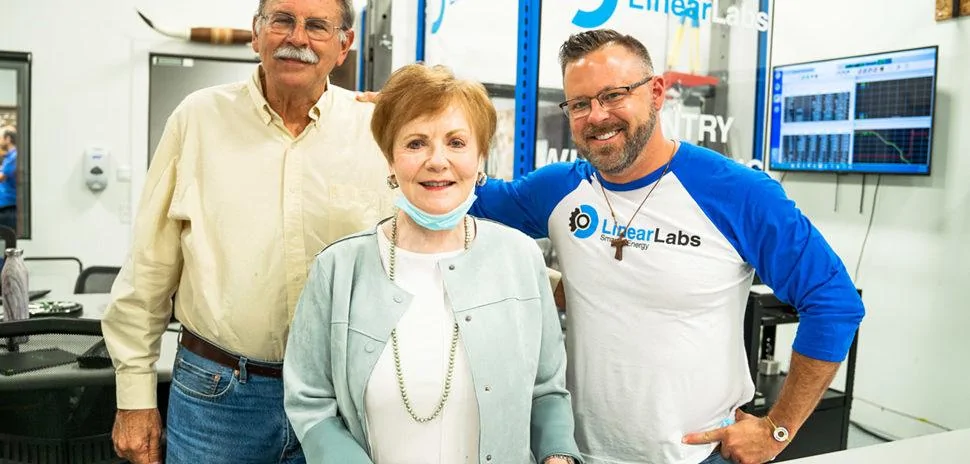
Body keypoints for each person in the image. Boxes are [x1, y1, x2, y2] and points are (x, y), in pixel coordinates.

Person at [465, 30, 866, 464]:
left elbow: (834, 301)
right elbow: (460, 195)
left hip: (698, 455)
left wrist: (777, 429)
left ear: (656, 93)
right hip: (577, 454)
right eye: (579, 104)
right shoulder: (557, 190)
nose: (596, 116)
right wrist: (410, 123)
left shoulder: (736, 192)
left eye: (614, 95)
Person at [101, 0, 394, 463]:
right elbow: (149, 266)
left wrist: (419, 112)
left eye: (317, 25)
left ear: (344, 46)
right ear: (256, 33)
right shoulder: (198, 119)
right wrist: (134, 397)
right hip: (217, 401)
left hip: (341, 399)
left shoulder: (376, 130)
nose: (297, 38)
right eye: (282, 20)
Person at [282, 63, 582, 464]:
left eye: (456, 142)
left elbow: (547, 390)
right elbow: (310, 401)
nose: (437, 160)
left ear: (481, 158)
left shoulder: (521, 258)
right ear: (390, 160)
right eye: (416, 143)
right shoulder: (338, 269)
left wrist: (558, 454)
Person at [0, 126, 17, 231]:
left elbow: (2, 177)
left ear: (8, 139)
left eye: (0, 138)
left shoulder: (14, 156)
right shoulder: (9, 157)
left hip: (8, 209)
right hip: (5, 208)